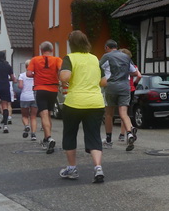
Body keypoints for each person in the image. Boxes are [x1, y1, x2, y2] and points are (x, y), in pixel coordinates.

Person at [59, 30, 107, 183]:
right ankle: (98, 167)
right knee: (94, 136)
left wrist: (65, 77)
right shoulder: (95, 59)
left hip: (75, 103)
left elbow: (65, 77)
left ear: (71, 44)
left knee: (70, 134)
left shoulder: (69, 58)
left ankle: (72, 169)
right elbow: (104, 82)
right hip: (95, 103)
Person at [99, 40, 140, 150]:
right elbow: (135, 72)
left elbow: (98, 68)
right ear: (116, 47)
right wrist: (124, 72)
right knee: (123, 113)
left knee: (109, 114)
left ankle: (108, 140)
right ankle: (129, 133)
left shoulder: (106, 56)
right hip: (125, 87)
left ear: (107, 47)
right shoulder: (126, 57)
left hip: (111, 87)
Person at [27, 42, 62, 154]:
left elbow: (28, 73)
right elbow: (61, 71)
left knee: (44, 114)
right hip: (53, 89)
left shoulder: (35, 60)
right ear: (52, 50)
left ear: (41, 50)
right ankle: (46, 138)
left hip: (40, 88)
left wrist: (37, 74)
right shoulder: (57, 60)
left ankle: (49, 138)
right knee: (49, 114)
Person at [118, 48, 141, 143]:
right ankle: (123, 133)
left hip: (123, 89)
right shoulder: (133, 66)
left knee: (123, 112)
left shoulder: (120, 66)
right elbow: (139, 76)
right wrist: (135, 84)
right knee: (126, 112)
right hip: (131, 89)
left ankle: (126, 131)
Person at [18, 60, 38, 141]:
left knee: (24, 116)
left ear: (26, 67)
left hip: (25, 97)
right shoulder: (36, 75)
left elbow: (20, 86)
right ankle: (33, 135)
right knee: (33, 117)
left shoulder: (22, 75)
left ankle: (26, 126)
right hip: (34, 97)